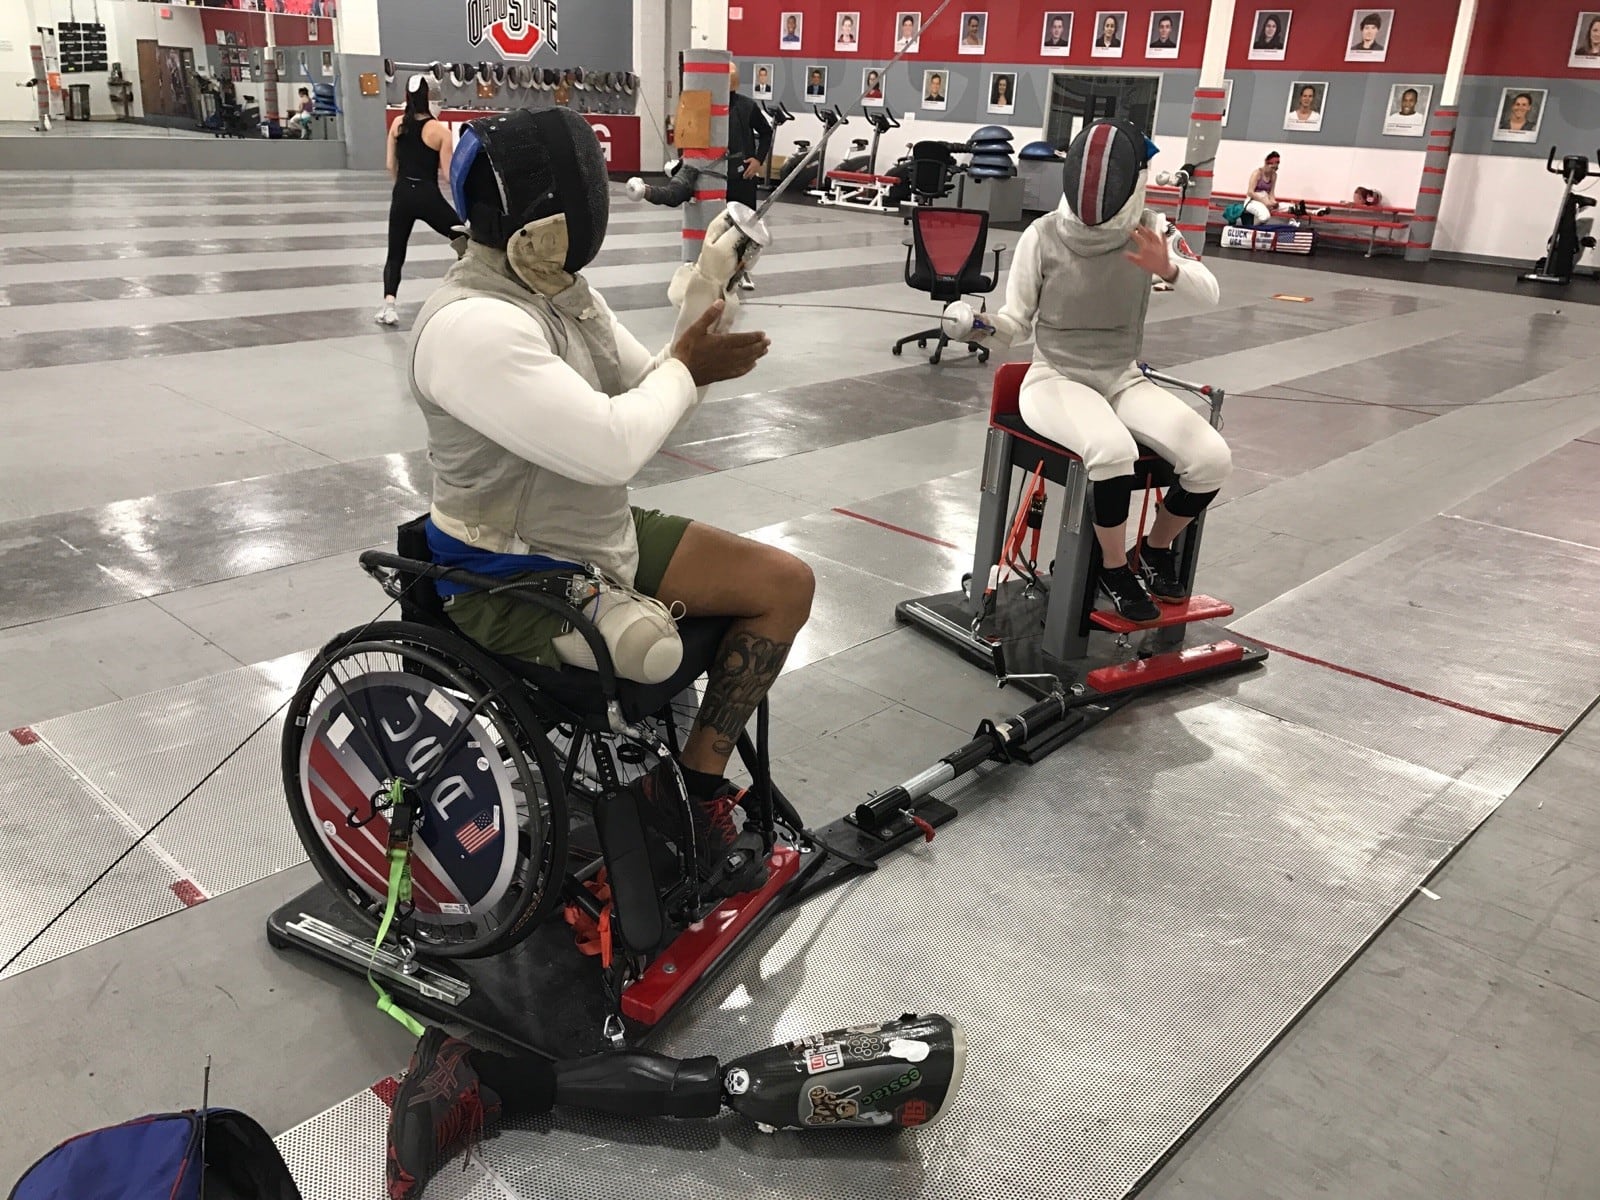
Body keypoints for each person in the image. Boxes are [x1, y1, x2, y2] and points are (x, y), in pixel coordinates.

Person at [412, 110, 812, 961]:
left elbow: (650, 384)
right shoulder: (471, 326)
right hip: (509, 575)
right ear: (548, 213)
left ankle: (694, 791)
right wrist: (683, 370)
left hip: (603, 540)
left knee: (785, 585)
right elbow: (613, 443)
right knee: (658, 655)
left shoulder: (555, 291)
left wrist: (709, 294)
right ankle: (646, 799)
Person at [942, 120, 1229, 623]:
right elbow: (1013, 325)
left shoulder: (1151, 228)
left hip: (1121, 377)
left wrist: (1170, 269)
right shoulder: (1043, 234)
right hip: (1053, 378)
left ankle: (1153, 549)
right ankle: (1112, 569)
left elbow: (1210, 292)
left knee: (1211, 458)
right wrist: (977, 326)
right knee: (1111, 451)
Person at [377, 75, 457, 327]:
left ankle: (388, 306)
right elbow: (448, 174)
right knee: (466, 239)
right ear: (432, 99)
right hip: (427, 195)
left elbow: (390, 165)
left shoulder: (397, 125)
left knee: (395, 253)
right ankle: (463, 293)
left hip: (401, 194)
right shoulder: (440, 132)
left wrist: (401, 188)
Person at [727, 64, 772, 290]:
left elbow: (766, 132)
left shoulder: (747, 106)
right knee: (718, 226)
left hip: (743, 175)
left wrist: (758, 159)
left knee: (746, 227)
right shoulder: (704, 106)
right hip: (715, 176)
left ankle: (742, 271)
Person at [1244, 151, 1279, 223]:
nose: (1273, 170)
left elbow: (1271, 193)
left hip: (1265, 199)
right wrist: (1265, 202)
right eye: (1272, 168)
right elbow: (1250, 192)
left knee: (1286, 207)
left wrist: (1274, 203)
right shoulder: (1257, 173)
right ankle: (1254, 229)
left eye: (1275, 169)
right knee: (1265, 216)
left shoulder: (1274, 175)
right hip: (1253, 201)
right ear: (1266, 163)